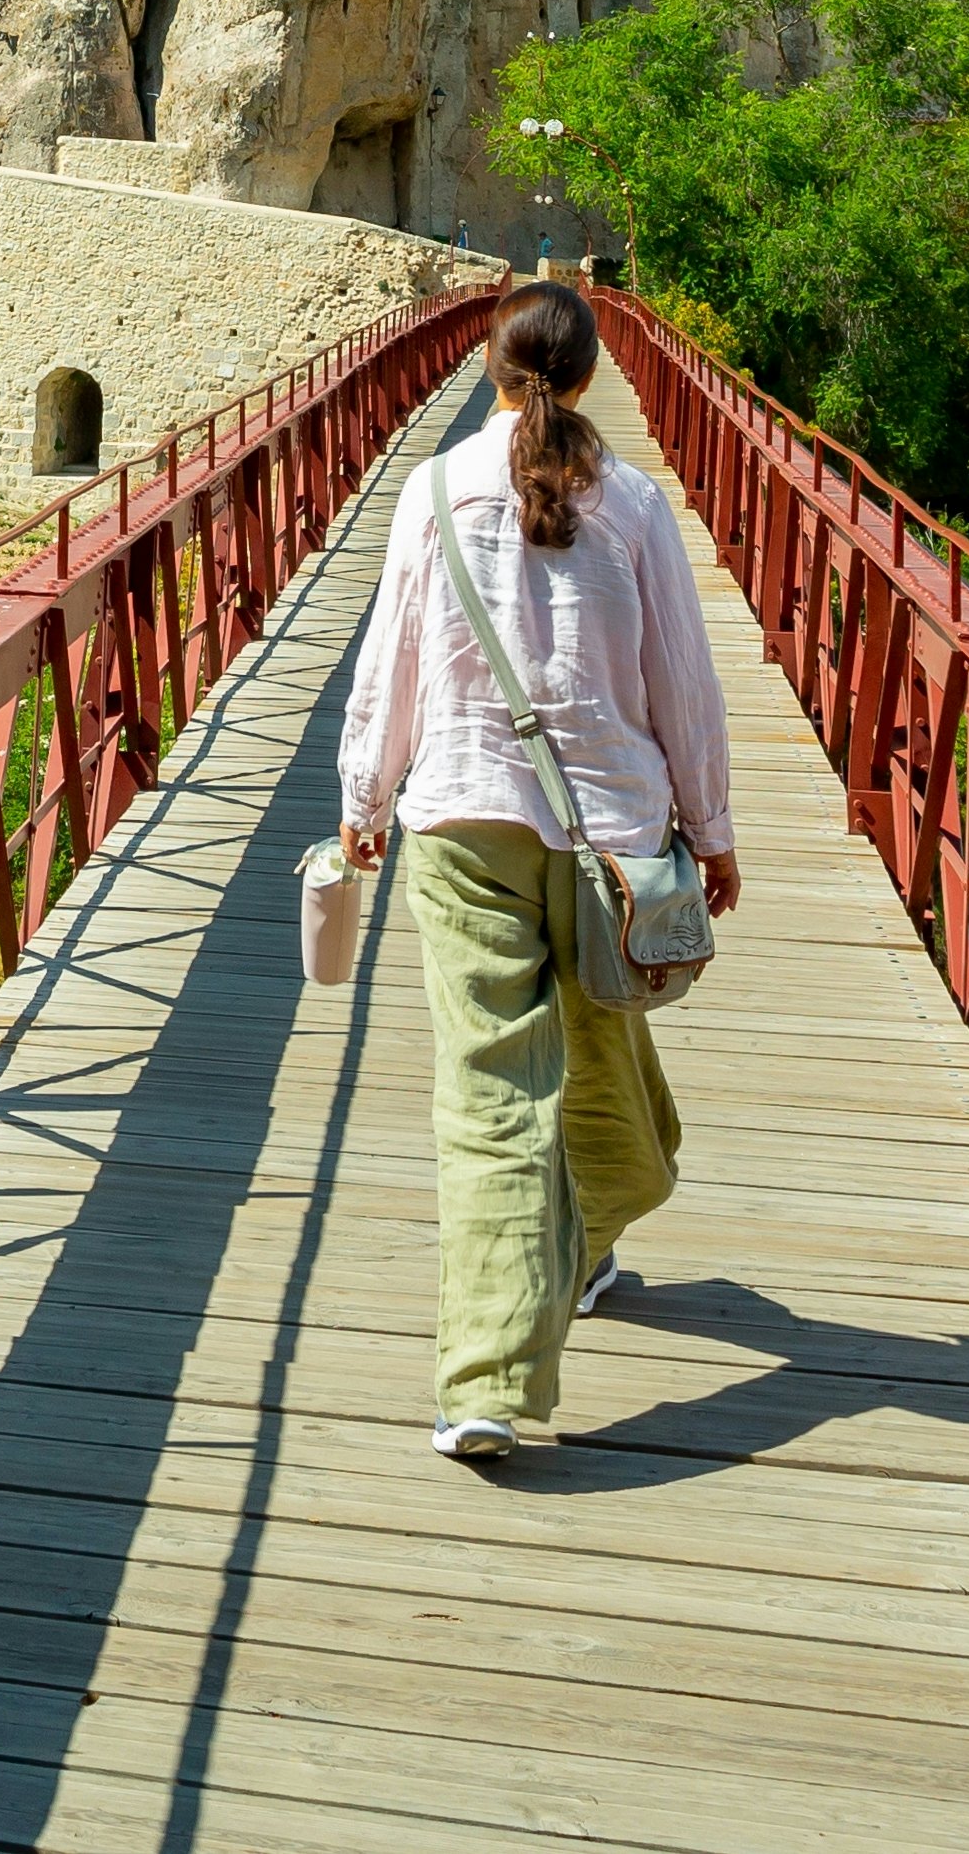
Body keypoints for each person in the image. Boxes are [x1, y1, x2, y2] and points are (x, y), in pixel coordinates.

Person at [334, 280, 738, 1462]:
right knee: (563, 1069)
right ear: (593, 374)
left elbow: (393, 654)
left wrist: (365, 796)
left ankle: (535, 1297)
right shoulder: (636, 504)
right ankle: (493, 1366)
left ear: (492, 370)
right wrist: (707, 829)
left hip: (463, 820)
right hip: (610, 838)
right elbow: (683, 682)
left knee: (515, 1098)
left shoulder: (432, 489)